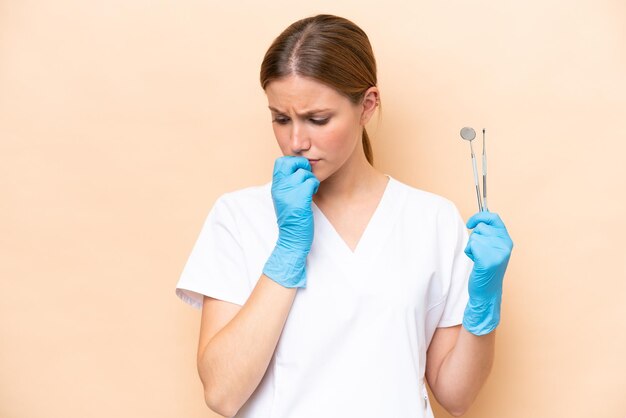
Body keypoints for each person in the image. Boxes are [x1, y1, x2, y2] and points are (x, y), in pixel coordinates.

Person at [175, 13, 513, 418]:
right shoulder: (239, 216)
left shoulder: (432, 220)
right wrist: (287, 252)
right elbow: (222, 394)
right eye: (281, 119)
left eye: (317, 119)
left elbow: (455, 397)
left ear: (367, 105)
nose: (296, 141)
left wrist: (483, 304)